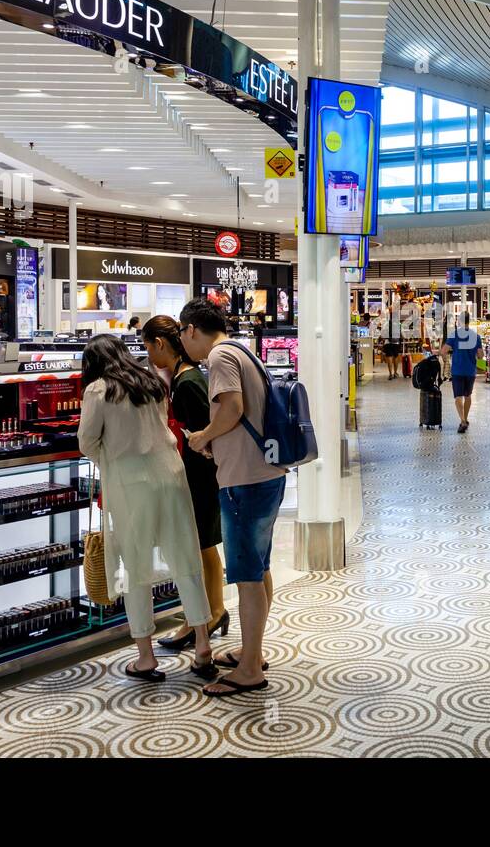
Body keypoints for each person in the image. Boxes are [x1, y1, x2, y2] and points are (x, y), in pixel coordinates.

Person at [76, 335, 216, 682]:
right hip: (171, 473)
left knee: (136, 566)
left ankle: (145, 657)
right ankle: (202, 645)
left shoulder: (98, 390)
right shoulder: (152, 382)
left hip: (131, 482)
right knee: (186, 559)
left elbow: (86, 441)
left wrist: (109, 455)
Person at [178, 297, 288, 698]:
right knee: (258, 569)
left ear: (192, 329)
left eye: (181, 334)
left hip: (245, 479)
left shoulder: (221, 356)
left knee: (245, 576)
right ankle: (252, 652)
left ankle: (248, 671)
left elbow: (232, 409)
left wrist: (203, 436)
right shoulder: (243, 350)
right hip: (265, 472)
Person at [141, 316, 230, 651]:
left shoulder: (188, 382)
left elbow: (207, 429)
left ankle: (213, 612)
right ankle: (209, 613)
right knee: (201, 546)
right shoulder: (183, 378)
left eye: (149, 346)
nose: (149, 354)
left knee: (202, 546)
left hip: (201, 478)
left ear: (160, 344)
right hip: (196, 475)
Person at [440, 313, 483, 434]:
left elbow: (444, 351)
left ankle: (463, 421)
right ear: (470, 321)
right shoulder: (476, 337)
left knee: (458, 396)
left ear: (459, 321)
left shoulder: (454, 335)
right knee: (468, 396)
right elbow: (480, 356)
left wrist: (452, 352)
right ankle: (466, 418)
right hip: (470, 371)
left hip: (458, 370)